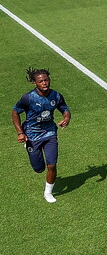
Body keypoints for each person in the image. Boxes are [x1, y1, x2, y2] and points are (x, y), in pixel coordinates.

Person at [12, 68, 70, 203]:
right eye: (41, 81)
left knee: (52, 165)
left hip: (50, 133)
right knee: (39, 169)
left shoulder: (56, 96)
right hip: (32, 135)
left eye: (46, 80)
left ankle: (48, 193)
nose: (44, 83)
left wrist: (66, 119)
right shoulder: (28, 98)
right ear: (35, 83)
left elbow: (65, 109)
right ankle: (29, 147)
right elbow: (15, 112)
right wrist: (20, 132)